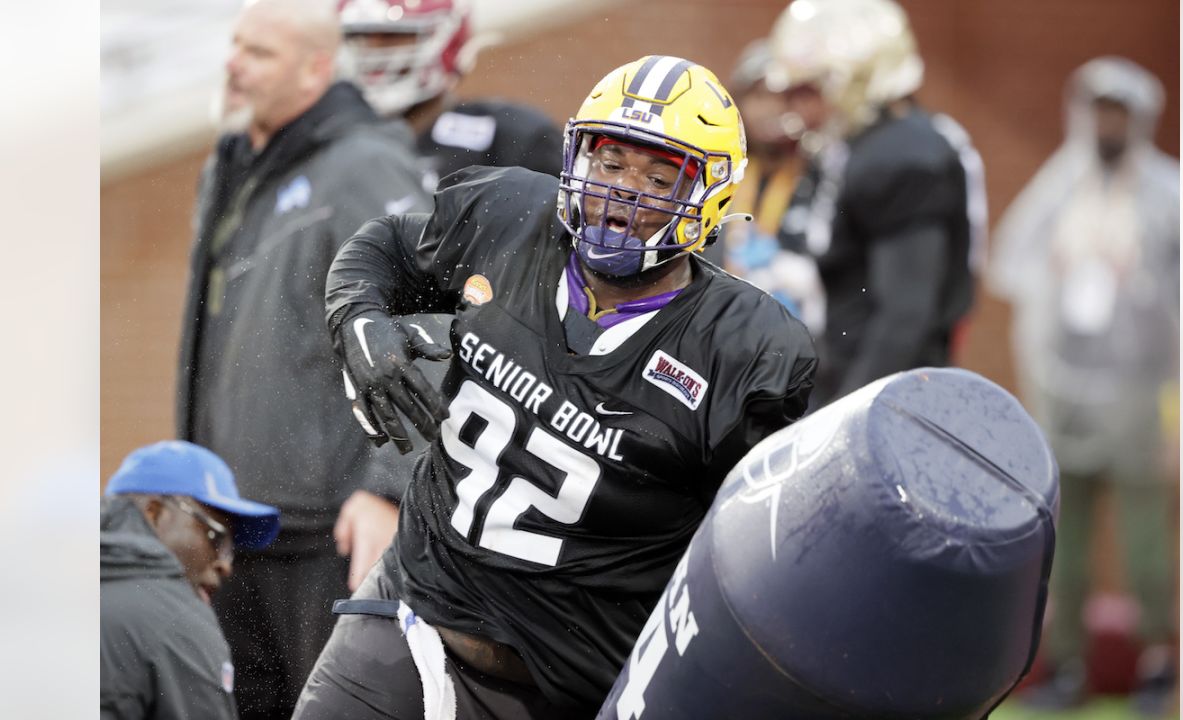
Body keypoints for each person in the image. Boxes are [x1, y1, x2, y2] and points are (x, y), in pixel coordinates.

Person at [292, 56, 817, 719]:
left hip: (571, 685)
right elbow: (383, 249)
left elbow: (760, 548)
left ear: (707, 196)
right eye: (611, 164)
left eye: (659, 176)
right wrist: (360, 321)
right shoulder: (510, 214)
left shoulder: (744, 347)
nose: (624, 192)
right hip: (411, 612)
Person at [174, 0, 432, 716]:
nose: (233, 64)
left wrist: (388, 486)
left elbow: (428, 320)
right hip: (236, 530)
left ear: (317, 68)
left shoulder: (365, 163)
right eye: (235, 45)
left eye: (259, 52)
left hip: (326, 541)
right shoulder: (234, 167)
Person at [988, 56, 1179, 716]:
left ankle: (1158, 661)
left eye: (1119, 112)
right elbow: (1009, 261)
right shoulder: (1062, 186)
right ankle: (1065, 664)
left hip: (1137, 396)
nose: (1107, 125)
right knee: (1064, 545)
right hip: (1065, 394)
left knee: (1145, 539)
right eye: (1098, 111)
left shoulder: (1167, 194)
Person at [765, 0, 987, 406]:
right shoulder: (860, 145)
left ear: (854, 80)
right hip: (849, 372)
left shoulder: (902, 154)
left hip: (885, 394)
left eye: (807, 89)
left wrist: (845, 421)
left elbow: (904, 316)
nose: (795, 109)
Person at [101, 441, 282, 720]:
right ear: (155, 513)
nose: (224, 565)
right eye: (216, 537)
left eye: (230, 551)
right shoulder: (176, 618)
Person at [338, 0, 562, 194]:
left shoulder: (513, 136)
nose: (373, 53)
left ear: (446, 40)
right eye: (363, 38)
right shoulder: (340, 139)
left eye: (392, 36)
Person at [709, 39, 826, 335]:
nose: (771, 109)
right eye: (759, 96)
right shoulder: (718, 173)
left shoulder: (824, 173)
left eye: (783, 97)